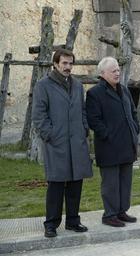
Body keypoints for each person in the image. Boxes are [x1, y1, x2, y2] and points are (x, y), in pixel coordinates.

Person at [32, 48, 93, 238]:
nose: (68, 67)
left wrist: (84, 129)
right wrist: (49, 135)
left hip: (77, 142)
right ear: (55, 64)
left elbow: (83, 111)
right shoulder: (43, 85)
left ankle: (73, 221)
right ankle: (51, 224)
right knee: (56, 185)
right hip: (56, 143)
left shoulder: (77, 85)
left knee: (76, 183)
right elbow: (38, 115)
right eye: (64, 63)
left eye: (70, 63)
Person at [86, 57, 139, 227]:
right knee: (110, 184)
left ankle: (122, 211)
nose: (117, 73)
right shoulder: (94, 93)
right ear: (102, 74)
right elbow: (93, 120)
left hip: (127, 144)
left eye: (118, 70)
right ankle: (109, 215)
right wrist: (107, 135)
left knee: (125, 181)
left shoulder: (124, 90)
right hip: (109, 146)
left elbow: (133, 112)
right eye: (113, 71)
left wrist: (135, 128)